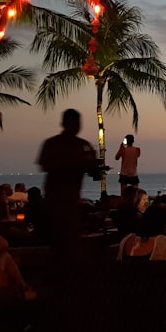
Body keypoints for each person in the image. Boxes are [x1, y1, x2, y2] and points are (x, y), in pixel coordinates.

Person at [37, 109, 104, 268]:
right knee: (61, 244)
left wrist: (93, 167)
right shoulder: (56, 144)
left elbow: (94, 173)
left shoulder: (82, 145)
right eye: (74, 123)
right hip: (55, 202)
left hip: (71, 203)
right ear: (65, 123)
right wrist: (76, 165)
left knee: (68, 244)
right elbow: (47, 165)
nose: (76, 126)